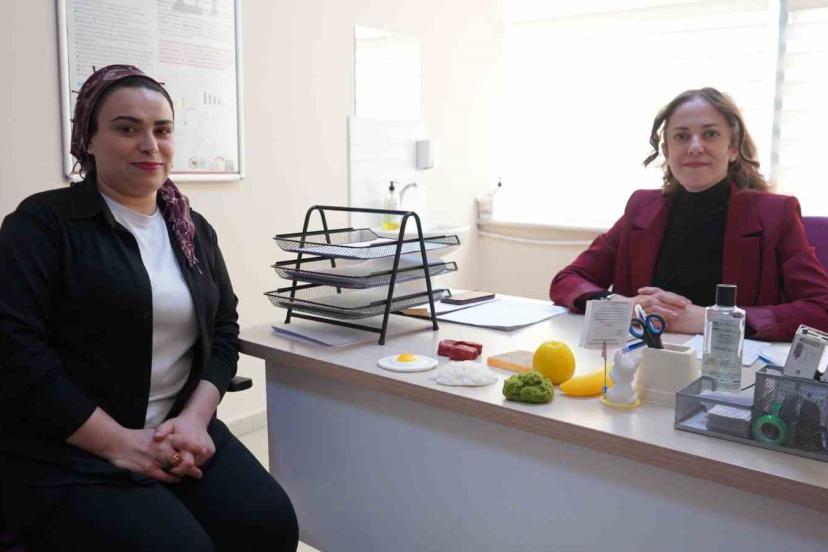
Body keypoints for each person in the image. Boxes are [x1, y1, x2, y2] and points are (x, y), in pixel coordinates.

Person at [0, 65, 298, 551]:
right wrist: (120, 444)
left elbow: (224, 328)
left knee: (270, 524)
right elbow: (16, 352)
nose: (149, 145)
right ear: (88, 139)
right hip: (71, 444)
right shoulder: (44, 223)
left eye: (162, 130)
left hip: (179, 428)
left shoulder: (192, 229)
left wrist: (196, 419)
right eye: (126, 128)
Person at [550, 87, 828, 342]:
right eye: (681, 136)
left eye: (710, 134)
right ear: (667, 150)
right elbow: (568, 280)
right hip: (640, 360)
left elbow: (821, 307)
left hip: (727, 367)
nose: (695, 146)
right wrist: (620, 305)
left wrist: (711, 319)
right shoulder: (641, 207)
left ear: (733, 148)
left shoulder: (775, 214)